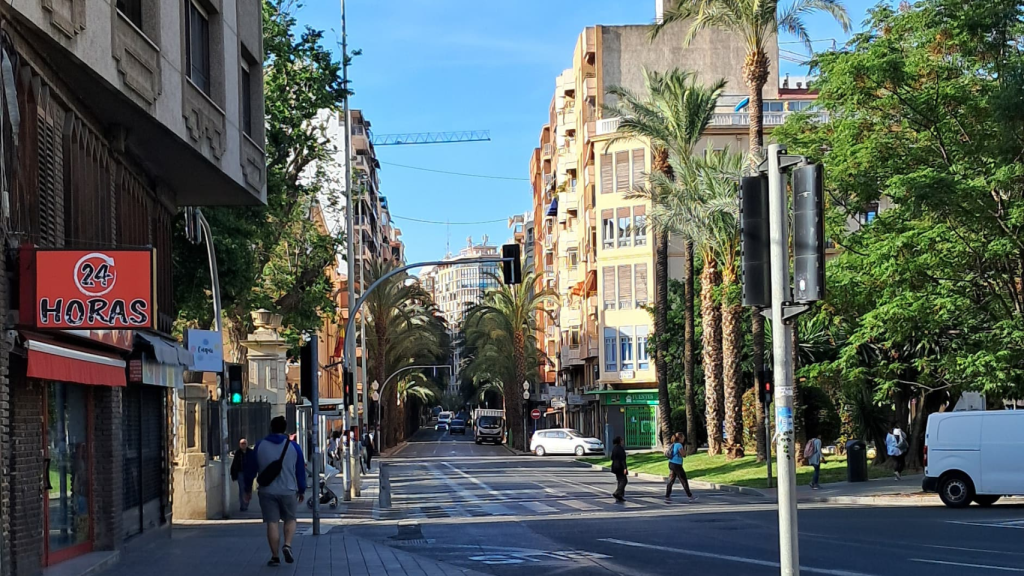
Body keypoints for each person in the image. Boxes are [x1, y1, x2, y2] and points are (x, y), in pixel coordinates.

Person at [244, 416, 306, 567]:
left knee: (272, 522)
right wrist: (302, 489)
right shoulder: (294, 447)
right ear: (284, 429)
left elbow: (251, 469)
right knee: (290, 519)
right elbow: (300, 471)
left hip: (267, 491)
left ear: (271, 428)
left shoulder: (260, 445)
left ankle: (275, 556)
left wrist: (247, 489)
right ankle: (288, 545)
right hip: (289, 490)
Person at [665, 432, 697, 503]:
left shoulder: (674, 444)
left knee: (671, 480)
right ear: (680, 438)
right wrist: (685, 448)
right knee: (683, 480)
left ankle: (667, 496)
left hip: (671, 463)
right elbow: (683, 454)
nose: (684, 439)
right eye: (683, 437)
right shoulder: (679, 445)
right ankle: (690, 496)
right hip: (677, 465)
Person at [230, 438, 252, 511]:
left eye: (244, 443)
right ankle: (243, 506)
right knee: (242, 489)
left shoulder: (250, 452)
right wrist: (233, 474)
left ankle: (246, 503)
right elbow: (234, 464)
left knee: (248, 489)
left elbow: (254, 462)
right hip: (241, 473)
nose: (243, 445)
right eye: (242, 444)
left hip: (249, 473)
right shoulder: (238, 453)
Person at [610, 436, 628, 502]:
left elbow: (612, 458)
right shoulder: (620, 449)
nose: (623, 441)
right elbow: (622, 459)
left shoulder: (614, 448)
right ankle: (617, 493)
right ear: (620, 441)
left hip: (615, 466)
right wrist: (625, 468)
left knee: (620, 480)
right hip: (620, 467)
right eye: (622, 440)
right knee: (624, 481)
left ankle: (620, 496)